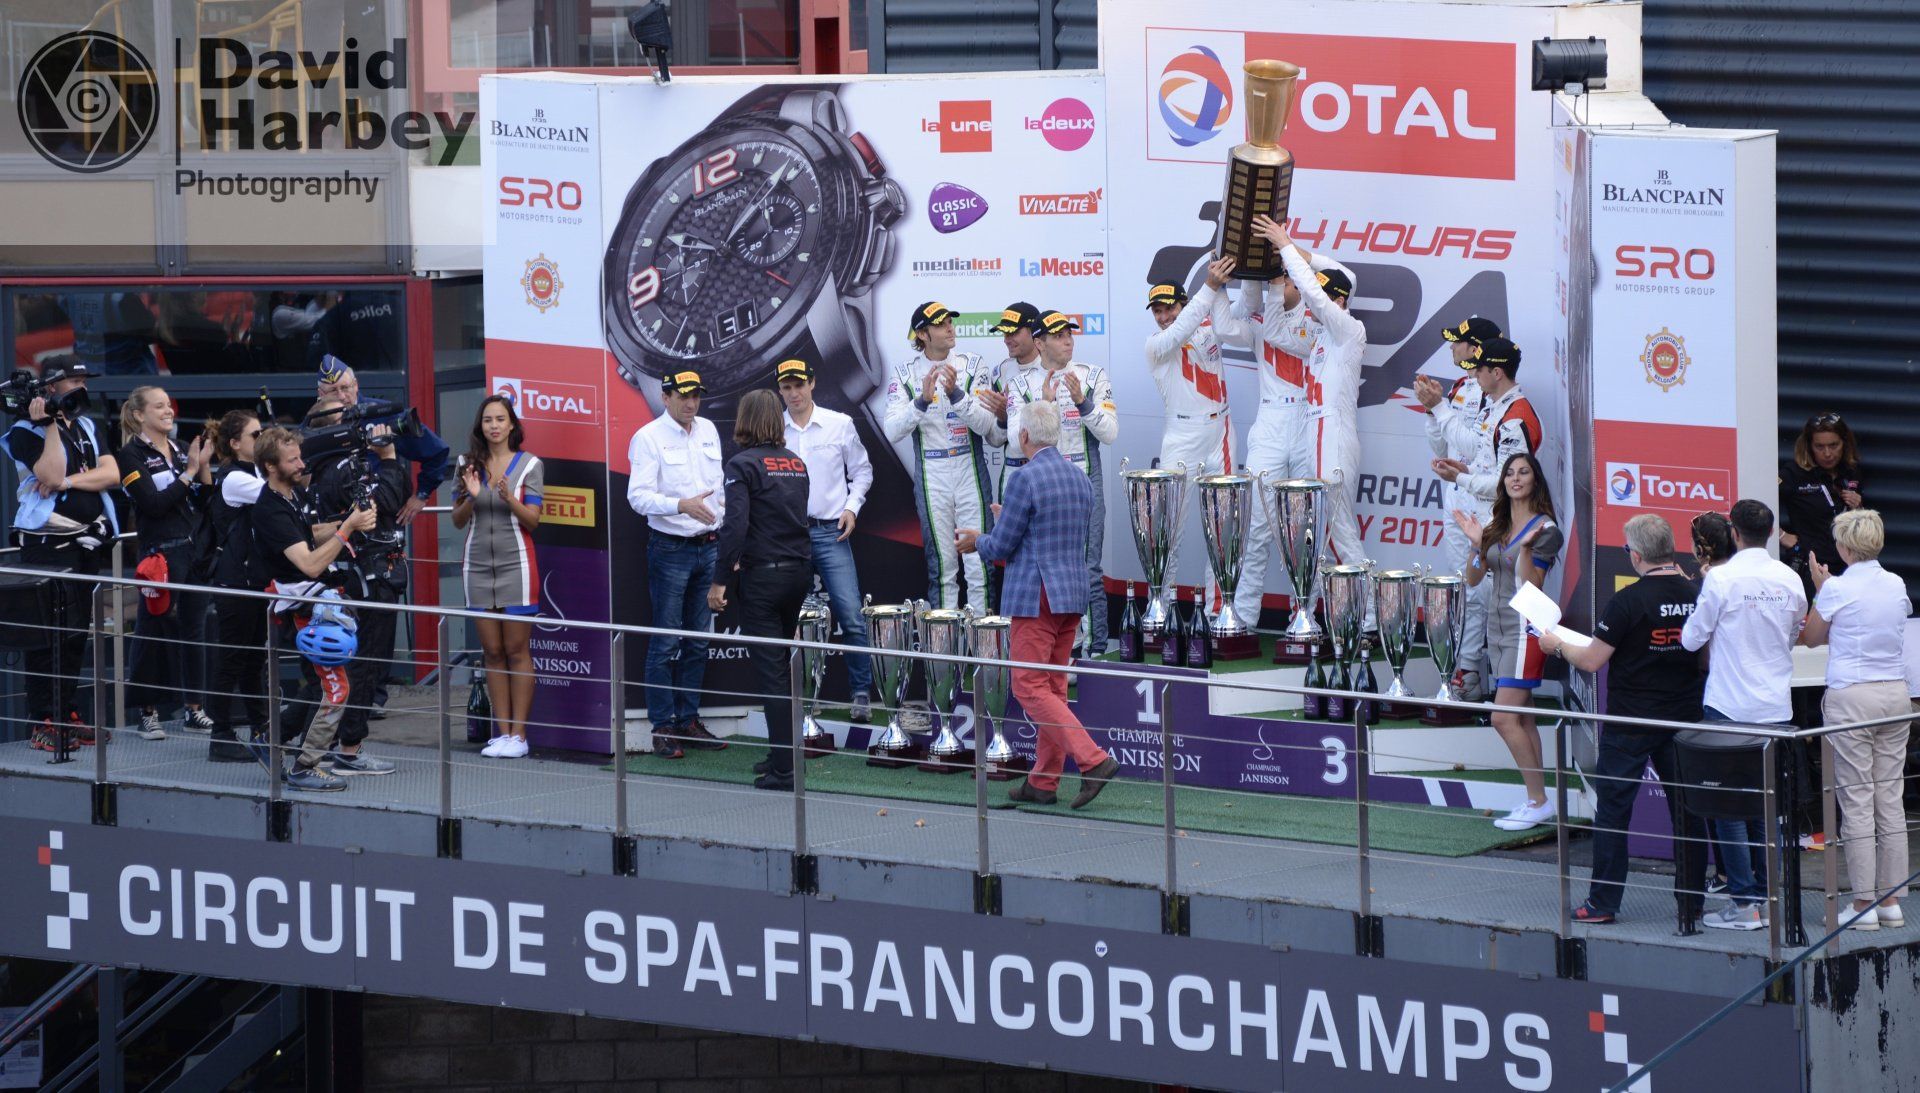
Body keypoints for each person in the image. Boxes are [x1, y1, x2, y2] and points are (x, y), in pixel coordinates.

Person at [1540, 514, 1709, 924]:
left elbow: (1591, 660)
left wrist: (1556, 645)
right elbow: (1705, 658)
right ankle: (1692, 905)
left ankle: (1602, 904)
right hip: (1684, 719)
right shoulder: (1697, 594)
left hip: (1630, 723)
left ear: (1634, 555)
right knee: (1688, 813)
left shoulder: (1627, 600)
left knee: (1614, 813)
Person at [958, 401, 1119, 809]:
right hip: (1072, 595)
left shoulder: (1023, 478)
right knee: (1052, 689)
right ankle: (1043, 782)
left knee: (1028, 686)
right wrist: (1007, 517)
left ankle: (1093, 761)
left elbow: (1001, 547)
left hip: (1036, 596)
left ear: (1024, 436)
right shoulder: (1080, 478)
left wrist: (977, 540)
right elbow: (1048, 532)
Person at [1680, 498, 1807, 931]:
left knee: (1729, 809)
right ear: (1770, 533)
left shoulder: (1721, 579)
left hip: (1729, 708)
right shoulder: (1789, 578)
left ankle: (1746, 902)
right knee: (1765, 807)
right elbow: (1793, 633)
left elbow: (1691, 640)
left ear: (1734, 533)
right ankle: (1765, 901)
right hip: (1774, 708)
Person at [979, 310, 1119, 653]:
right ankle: (1062, 649)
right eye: (1058, 336)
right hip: (1044, 483)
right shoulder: (1021, 384)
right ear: (1039, 343)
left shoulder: (1091, 375)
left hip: (1083, 479)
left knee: (1089, 566)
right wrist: (1045, 402)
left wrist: (1082, 402)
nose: (1067, 341)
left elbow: (1110, 433)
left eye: (1069, 334)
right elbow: (1016, 442)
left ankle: (1095, 650)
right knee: (1047, 567)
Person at [249, 427, 378, 791]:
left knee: (320, 686)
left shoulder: (292, 493)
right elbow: (309, 563)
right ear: (270, 466)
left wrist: (349, 520)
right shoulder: (269, 508)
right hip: (305, 606)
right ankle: (306, 766)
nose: (302, 464)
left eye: (300, 457)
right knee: (336, 689)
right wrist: (347, 529)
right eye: (292, 460)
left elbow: (306, 532)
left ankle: (269, 739)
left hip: (318, 602)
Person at [1800, 509, 1910, 929]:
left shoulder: (1836, 587)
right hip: (1895, 694)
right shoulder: (1896, 583)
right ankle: (1890, 901)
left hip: (1852, 697)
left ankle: (1863, 902)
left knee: (1858, 799)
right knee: (1890, 797)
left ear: (1844, 547)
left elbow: (1811, 638)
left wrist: (1820, 589)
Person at [1232, 250, 1353, 629]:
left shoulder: (1322, 318)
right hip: (1270, 419)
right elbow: (1228, 321)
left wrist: (1301, 254)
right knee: (1256, 525)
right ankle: (1243, 618)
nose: (1280, 283)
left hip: (1307, 420)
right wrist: (1253, 269)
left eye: (1285, 278)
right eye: (1277, 278)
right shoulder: (1259, 318)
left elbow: (1348, 278)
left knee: (1306, 528)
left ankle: (1304, 617)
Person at [7, 358, 120, 750]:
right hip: (47, 545)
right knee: (47, 634)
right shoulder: (24, 431)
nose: (81, 386)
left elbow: (111, 474)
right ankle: (44, 720)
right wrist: (50, 425)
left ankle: (67, 711)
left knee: (75, 633)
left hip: (84, 542)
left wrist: (70, 482)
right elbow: (49, 475)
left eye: (83, 379)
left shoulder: (87, 425)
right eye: (74, 380)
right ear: (51, 387)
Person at [1253, 214, 1370, 581]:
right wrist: (1276, 285)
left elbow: (1316, 297)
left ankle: (1367, 608)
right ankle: (1354, 606)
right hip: (1314, 433)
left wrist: (1286, 245)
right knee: (1328, 532)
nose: (1309, 301)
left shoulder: (1350, 330)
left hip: (1334, 433)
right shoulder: (1319, 338)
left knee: (1340, 531)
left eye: (1321, 296)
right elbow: (1274, 331)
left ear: (1340, 300)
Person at [1455, 453, 1564, 831]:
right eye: (1510, 473)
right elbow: (1473, 578)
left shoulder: (1546, 529)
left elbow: (1533, 584)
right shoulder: (1496, 525)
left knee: (1502, 717)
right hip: (1497, 630)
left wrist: (1528, 548)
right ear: (1503, 482)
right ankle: (1539, 799)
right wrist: (1476, 545)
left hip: (1525, 630)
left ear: (1535, 480)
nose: (1516, 478)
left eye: (1524, 472)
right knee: (1522, 716)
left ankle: (1538, 801)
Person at [711, 389, 813, 791]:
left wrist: (720, 579)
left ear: (744, 420)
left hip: (765, 579)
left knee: (772, 675)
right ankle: (780, 754)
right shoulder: (795, 462)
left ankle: (785, 771)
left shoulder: (741, 464)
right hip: (798, 574)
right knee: (780, 668)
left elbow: (734, 526)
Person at [626, 370, 727, 758]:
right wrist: (680, 505)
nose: (691, 402)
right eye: (683, 395)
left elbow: (719, 488)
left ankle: (688, 720)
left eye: (696, 395)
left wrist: (723, 526)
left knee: (698, 640)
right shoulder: (648, 437)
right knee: (666, 639)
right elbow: (637, 498)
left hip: (709, 545)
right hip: (670, 548)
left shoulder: (709, 430)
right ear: (665, 397)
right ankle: (662, 727)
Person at [303, 396, 405, 776]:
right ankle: (348, 749)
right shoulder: (345, 468)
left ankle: (327, 746)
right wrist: (389, 458)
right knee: (364, 665)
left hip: (350, 577)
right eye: (348, 420)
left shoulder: (320, 468)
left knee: (344, 666)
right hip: (365, 580)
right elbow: (385, 504)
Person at [884, 301, 1002, 616]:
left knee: (979, 562)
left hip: (968, 470)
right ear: (922, 334)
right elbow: (892, 430)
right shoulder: (905, 373)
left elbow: (989, 428)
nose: (950, 328)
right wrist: (921, 401)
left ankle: (982, 642)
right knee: (942, 564)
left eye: (950, 321)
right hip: (932, 474)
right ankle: (945, 645)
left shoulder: (972, 365)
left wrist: (956, 396)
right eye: (941, 324)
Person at [776, 358, 877, 721]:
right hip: (788, 536)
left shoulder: (840, 423)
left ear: (812, 383)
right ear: (780, 390)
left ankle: (861, 693)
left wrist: (852, 507)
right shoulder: (773, 429)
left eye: (799, 385)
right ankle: (800, 697)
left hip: (831, 531)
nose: (794, 393)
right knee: (792, 619)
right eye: (787, 387)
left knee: (850, 614)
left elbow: (862, 472)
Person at [1144, 257, 1246, 618]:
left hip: (1221, 430)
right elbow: (1179, 331)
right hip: (1181, 437)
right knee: (1168, 527)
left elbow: (1236, 320)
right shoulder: (1156, 344)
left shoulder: (1206, 324)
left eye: (1169, 308)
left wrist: (1226, 284)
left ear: (1183, 304)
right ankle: (1160, 609)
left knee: (1225, 527)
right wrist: (1210, 286)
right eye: (1157, 311)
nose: (1163, 316)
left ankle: (1220, 611)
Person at [117, 386, 216, 740]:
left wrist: (203, 467)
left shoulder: (179, 448)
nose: (168, 410)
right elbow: (153, 504)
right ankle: (147, 713)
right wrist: (188, 472)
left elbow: (204, 501)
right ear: (139, 414)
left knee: (194, 630)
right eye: (158, 406)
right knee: (151, 631)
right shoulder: (130, 455)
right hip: (159, 555)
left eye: (169, 405)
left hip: (193, 552)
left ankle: (194, 708)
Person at [1414, 316, 1506, 698]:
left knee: (1483, 591)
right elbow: (1443, 447)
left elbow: (1474, 447)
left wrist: (1439, 408)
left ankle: (1478, 673)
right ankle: (1464, 670)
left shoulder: (1493, 392)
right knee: (1462, 585)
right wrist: (1431, 412)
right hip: (1455, 495)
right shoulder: (1458, 387)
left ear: (1477, 348)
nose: (1452, 348)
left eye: (1458, 342)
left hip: (1482, 499)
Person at [453, 394, 545, 759]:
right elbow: (457, 521)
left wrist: (509, 498)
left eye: (500, 419)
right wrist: (473, 496)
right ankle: (502, 732)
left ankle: (519, 736)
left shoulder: (530, 464)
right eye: (488, 419)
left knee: (516, 650)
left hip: (517, 565)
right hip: (476, 567)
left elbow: (533, 521)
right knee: (491, 652)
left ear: (512, 425)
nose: (494, 426)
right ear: (481, 426)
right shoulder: (466, 464)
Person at [314, 357, 449, 526]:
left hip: (380, 514)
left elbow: (437, 452)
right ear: (321, 394)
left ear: (356, 385)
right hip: (334, 519)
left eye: (345, 388)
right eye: (333, 391)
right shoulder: (316, 423)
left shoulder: (382, 413)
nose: (341, 396)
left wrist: (422, 494)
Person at [206, 410, 269, 762]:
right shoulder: (234, 478)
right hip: (235, 582)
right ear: (234, 443)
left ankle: (261, 727)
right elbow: (276, 495)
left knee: (253, 659)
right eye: (255, 435)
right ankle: (220, 734)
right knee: (232, 658)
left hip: (253, 580)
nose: (261, 439)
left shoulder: (254, 472)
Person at [1780, 411, 1864, 597]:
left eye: (1833, 445)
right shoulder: (1793, 473)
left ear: (1844, 443)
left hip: (1847, 568)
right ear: (1809, 446)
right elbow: (1758, 503)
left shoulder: (1852, 471)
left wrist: (1858, 508)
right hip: (1810, 569)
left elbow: (1860, 525)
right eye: (1819, 446)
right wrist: (1781, 535)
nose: (1827, 453)